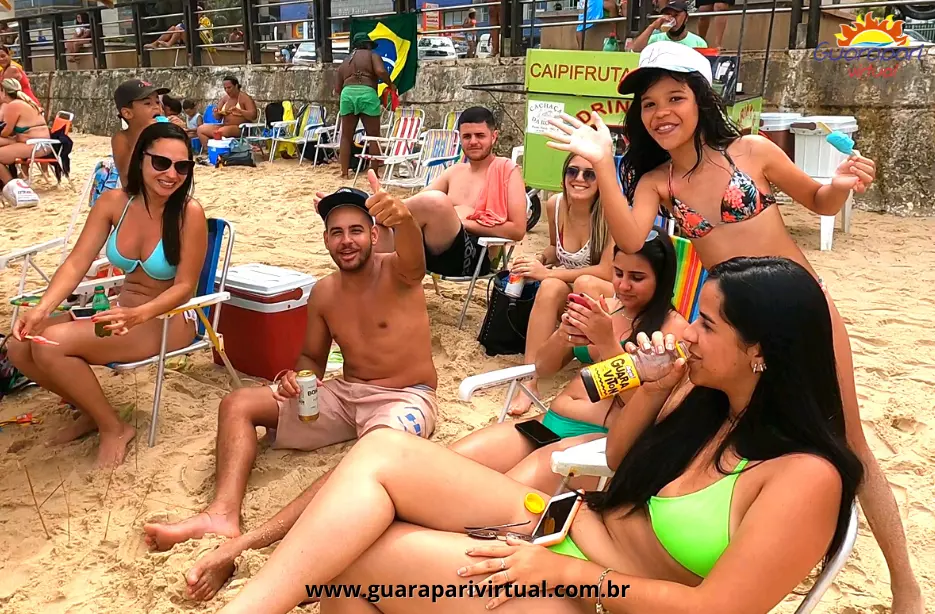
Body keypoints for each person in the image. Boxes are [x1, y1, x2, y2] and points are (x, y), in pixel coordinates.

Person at [216, 256, 863, 614]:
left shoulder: (805, 477)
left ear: (762, 353)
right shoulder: (700, 395)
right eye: (694, 317)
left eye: (709, 325)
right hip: (561, 511)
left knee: (354, 565)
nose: (688, 332)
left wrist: (556, 571)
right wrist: (647, 385)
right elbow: (599, 435)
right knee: (383, 454)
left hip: (594, 589)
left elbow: (715, 612)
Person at [545, 42, 923, 613]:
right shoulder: (656, 181)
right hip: (726, 324)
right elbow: (627, 238)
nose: (662, 112)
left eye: (676, 97)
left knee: (850, 440)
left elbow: (817, 202)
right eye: (649, 104)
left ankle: (905, 586)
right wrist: (602, 163)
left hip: (800, 312)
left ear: (700, 99)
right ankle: (699, 542)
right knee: (704, 422)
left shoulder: (751, 150)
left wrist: (841, 183)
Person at [143, 176, 440, 576]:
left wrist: (403, 220)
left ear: (374, 234)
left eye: (356, 230)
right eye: (336, 233)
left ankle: (251, 541)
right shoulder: (325, 292)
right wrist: (295, 376)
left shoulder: (399, 273)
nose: (346, 241)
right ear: (325, 241)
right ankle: (222, 514)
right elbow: (312, 357)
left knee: (365, 461)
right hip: (348, 392)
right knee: (238, 403)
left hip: (407, 397)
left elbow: (415, 259)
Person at [7, 123, 206, 468]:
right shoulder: (115, 202)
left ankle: (114, 427)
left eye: (182, 166)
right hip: (123, 313)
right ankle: (90, 411)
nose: (171, 174)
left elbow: (184, 287)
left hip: (167, 319)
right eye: (161, 163)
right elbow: (76, 263)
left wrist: (138, 315)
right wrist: (41, 309)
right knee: (19, 344)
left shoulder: (189, 213)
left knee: (50, 344)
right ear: (141, 160)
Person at [452, 229, 688, 487]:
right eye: (618, 273)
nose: (623, 285)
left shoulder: (671, 330)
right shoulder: (606, 308)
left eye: (637, 277)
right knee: (450, 466)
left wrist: (607, 343)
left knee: (494, 492)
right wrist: (563, 334)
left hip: (597, 441)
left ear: (662, 280)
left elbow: (646, 410)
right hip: (549, 423)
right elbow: (542, 368)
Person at [502, 152, 615, 415]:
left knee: (583, 282)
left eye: (590, 174)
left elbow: (608, 271)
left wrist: (547, 273)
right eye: (572, 171)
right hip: (572, 290)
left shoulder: (610, 213)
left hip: (606, 293)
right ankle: (529, 382)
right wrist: (538, 260)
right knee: (551, 288)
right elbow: (556, 248)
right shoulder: (555, 205)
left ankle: (592, 364)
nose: (579, 179)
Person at [397, 106, 526, 278]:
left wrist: (460, 221)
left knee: (436, 202)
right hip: (427, 250)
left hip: (475, 256)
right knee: (397, 218)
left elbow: (517, 230)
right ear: (460, 138)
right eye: (467, 136)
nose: (473, 142)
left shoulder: (507, 171)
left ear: (494, 136)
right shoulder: (454, 171)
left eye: (480, 135)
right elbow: (418, 203)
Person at [334, 33, 394, 179]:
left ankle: (344, 172)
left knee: (346, 137)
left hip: (347, 95)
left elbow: (337, 89)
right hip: (367, 93)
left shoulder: (346, 61)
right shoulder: (372, 56)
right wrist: (390, 84)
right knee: (373, 136)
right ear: (368, 45)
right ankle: (373, 172)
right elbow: (380, 71)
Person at [111, 79, 169, 185]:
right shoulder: (122, 138)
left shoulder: (162, 135)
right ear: (127, 113)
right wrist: (141, 133)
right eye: (147, 103)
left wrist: (179, 133)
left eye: (157, 102)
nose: (157, 107)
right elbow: (126, 179)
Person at [0, 78, 50, 186]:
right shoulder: (24, 102)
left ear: (3, 91)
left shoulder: (13, 105)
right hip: (39, 143)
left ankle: (13, 186)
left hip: (35, 146)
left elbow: (5, 132)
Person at [195, 75, 257, 151]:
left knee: (220, 132)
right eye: (225, 88)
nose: (227, 90)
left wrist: (240, 111)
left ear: (236, 86)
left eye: (229, 87)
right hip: (224, 126)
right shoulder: (225, 98)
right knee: (200, 129)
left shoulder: (244, 98)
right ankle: (210, 151)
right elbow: (217, 117)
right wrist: (217, 112)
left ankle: (222, 151)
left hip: (240, 128)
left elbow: (253, 115)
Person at [631, 0, 706, 52]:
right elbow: (635, 50)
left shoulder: (698, 42)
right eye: (668, 14)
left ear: (686, 18)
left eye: (676, 15)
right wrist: (652, 26)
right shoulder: (656, 39)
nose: (671, 18)